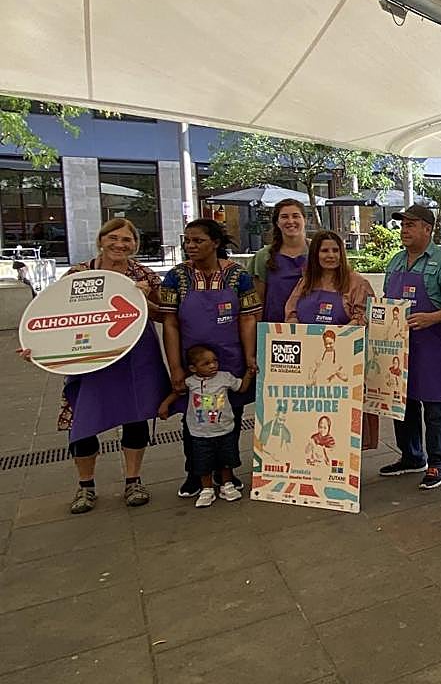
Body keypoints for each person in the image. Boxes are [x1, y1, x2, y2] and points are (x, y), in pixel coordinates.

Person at [16, 218, 172, 513]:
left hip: (135, 356)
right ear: (101, 240)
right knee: (83, 420)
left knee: (135, 417)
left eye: (127, 240)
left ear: (135, 245)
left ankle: (133, 481)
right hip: (89, 358)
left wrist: (142, 300)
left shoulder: (144, 275)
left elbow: (165, 315)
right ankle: (85, 486)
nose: (119, 244)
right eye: (113, 238)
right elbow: (55, 317)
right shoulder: (79, 274)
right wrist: (36, 349)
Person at [160, 219, 260, 498]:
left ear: (215, 243)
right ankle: (195, 473)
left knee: (231, 416)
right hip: (193, 361)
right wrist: (176, 367)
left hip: (230, 359)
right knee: (193, 420)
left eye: (198, 241)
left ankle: (225, 471)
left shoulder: (238, 276)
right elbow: (170, 323)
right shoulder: (176, 277)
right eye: (187, 241)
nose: (190, 246)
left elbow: (248, 319)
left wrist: (250, 355)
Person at [379, 204, 441, 490]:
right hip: (397, 346)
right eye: (403, 224)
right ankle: (411, 456)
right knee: (401, 405)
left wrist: (433, 317)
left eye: (411, 224)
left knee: (433, 407)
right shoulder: (394, 261)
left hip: (431, 344)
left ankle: (438, 463)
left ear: (428, 229)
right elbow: (386, 300)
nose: (404, 229)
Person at [284, 231, 378, 448]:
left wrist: (342, 335)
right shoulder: (306, 282)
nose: (330, 255)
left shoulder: (356, 282)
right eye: (325, 250)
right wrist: (298, 330)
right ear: (315, 254)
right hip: (309, 362)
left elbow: (365, 316)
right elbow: (291, 311)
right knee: (312, 416)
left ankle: (345, 469)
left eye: (335, 250)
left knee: (343, 419)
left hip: (343, 361)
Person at [157, 344, 253, 508]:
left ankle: (227, 484)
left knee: (226, 460)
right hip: (200, 432)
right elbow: (177, 392)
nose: (213, 365)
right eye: (206, 363)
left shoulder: (225, 377)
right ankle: (206, 488)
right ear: (193, 368)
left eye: (214, 361)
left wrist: (249, 373)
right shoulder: (190, 382)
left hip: (225, 429)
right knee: (203, 462)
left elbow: (241, 387)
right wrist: (165, 405)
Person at [250, 198, 307, 322]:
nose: (290, 221)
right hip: (275, 330)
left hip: (313, 329)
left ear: (304, 219)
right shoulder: (264, 256)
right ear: (277, 222)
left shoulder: (318, 252)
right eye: (284, 217)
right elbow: (258, 300)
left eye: (295, 216)